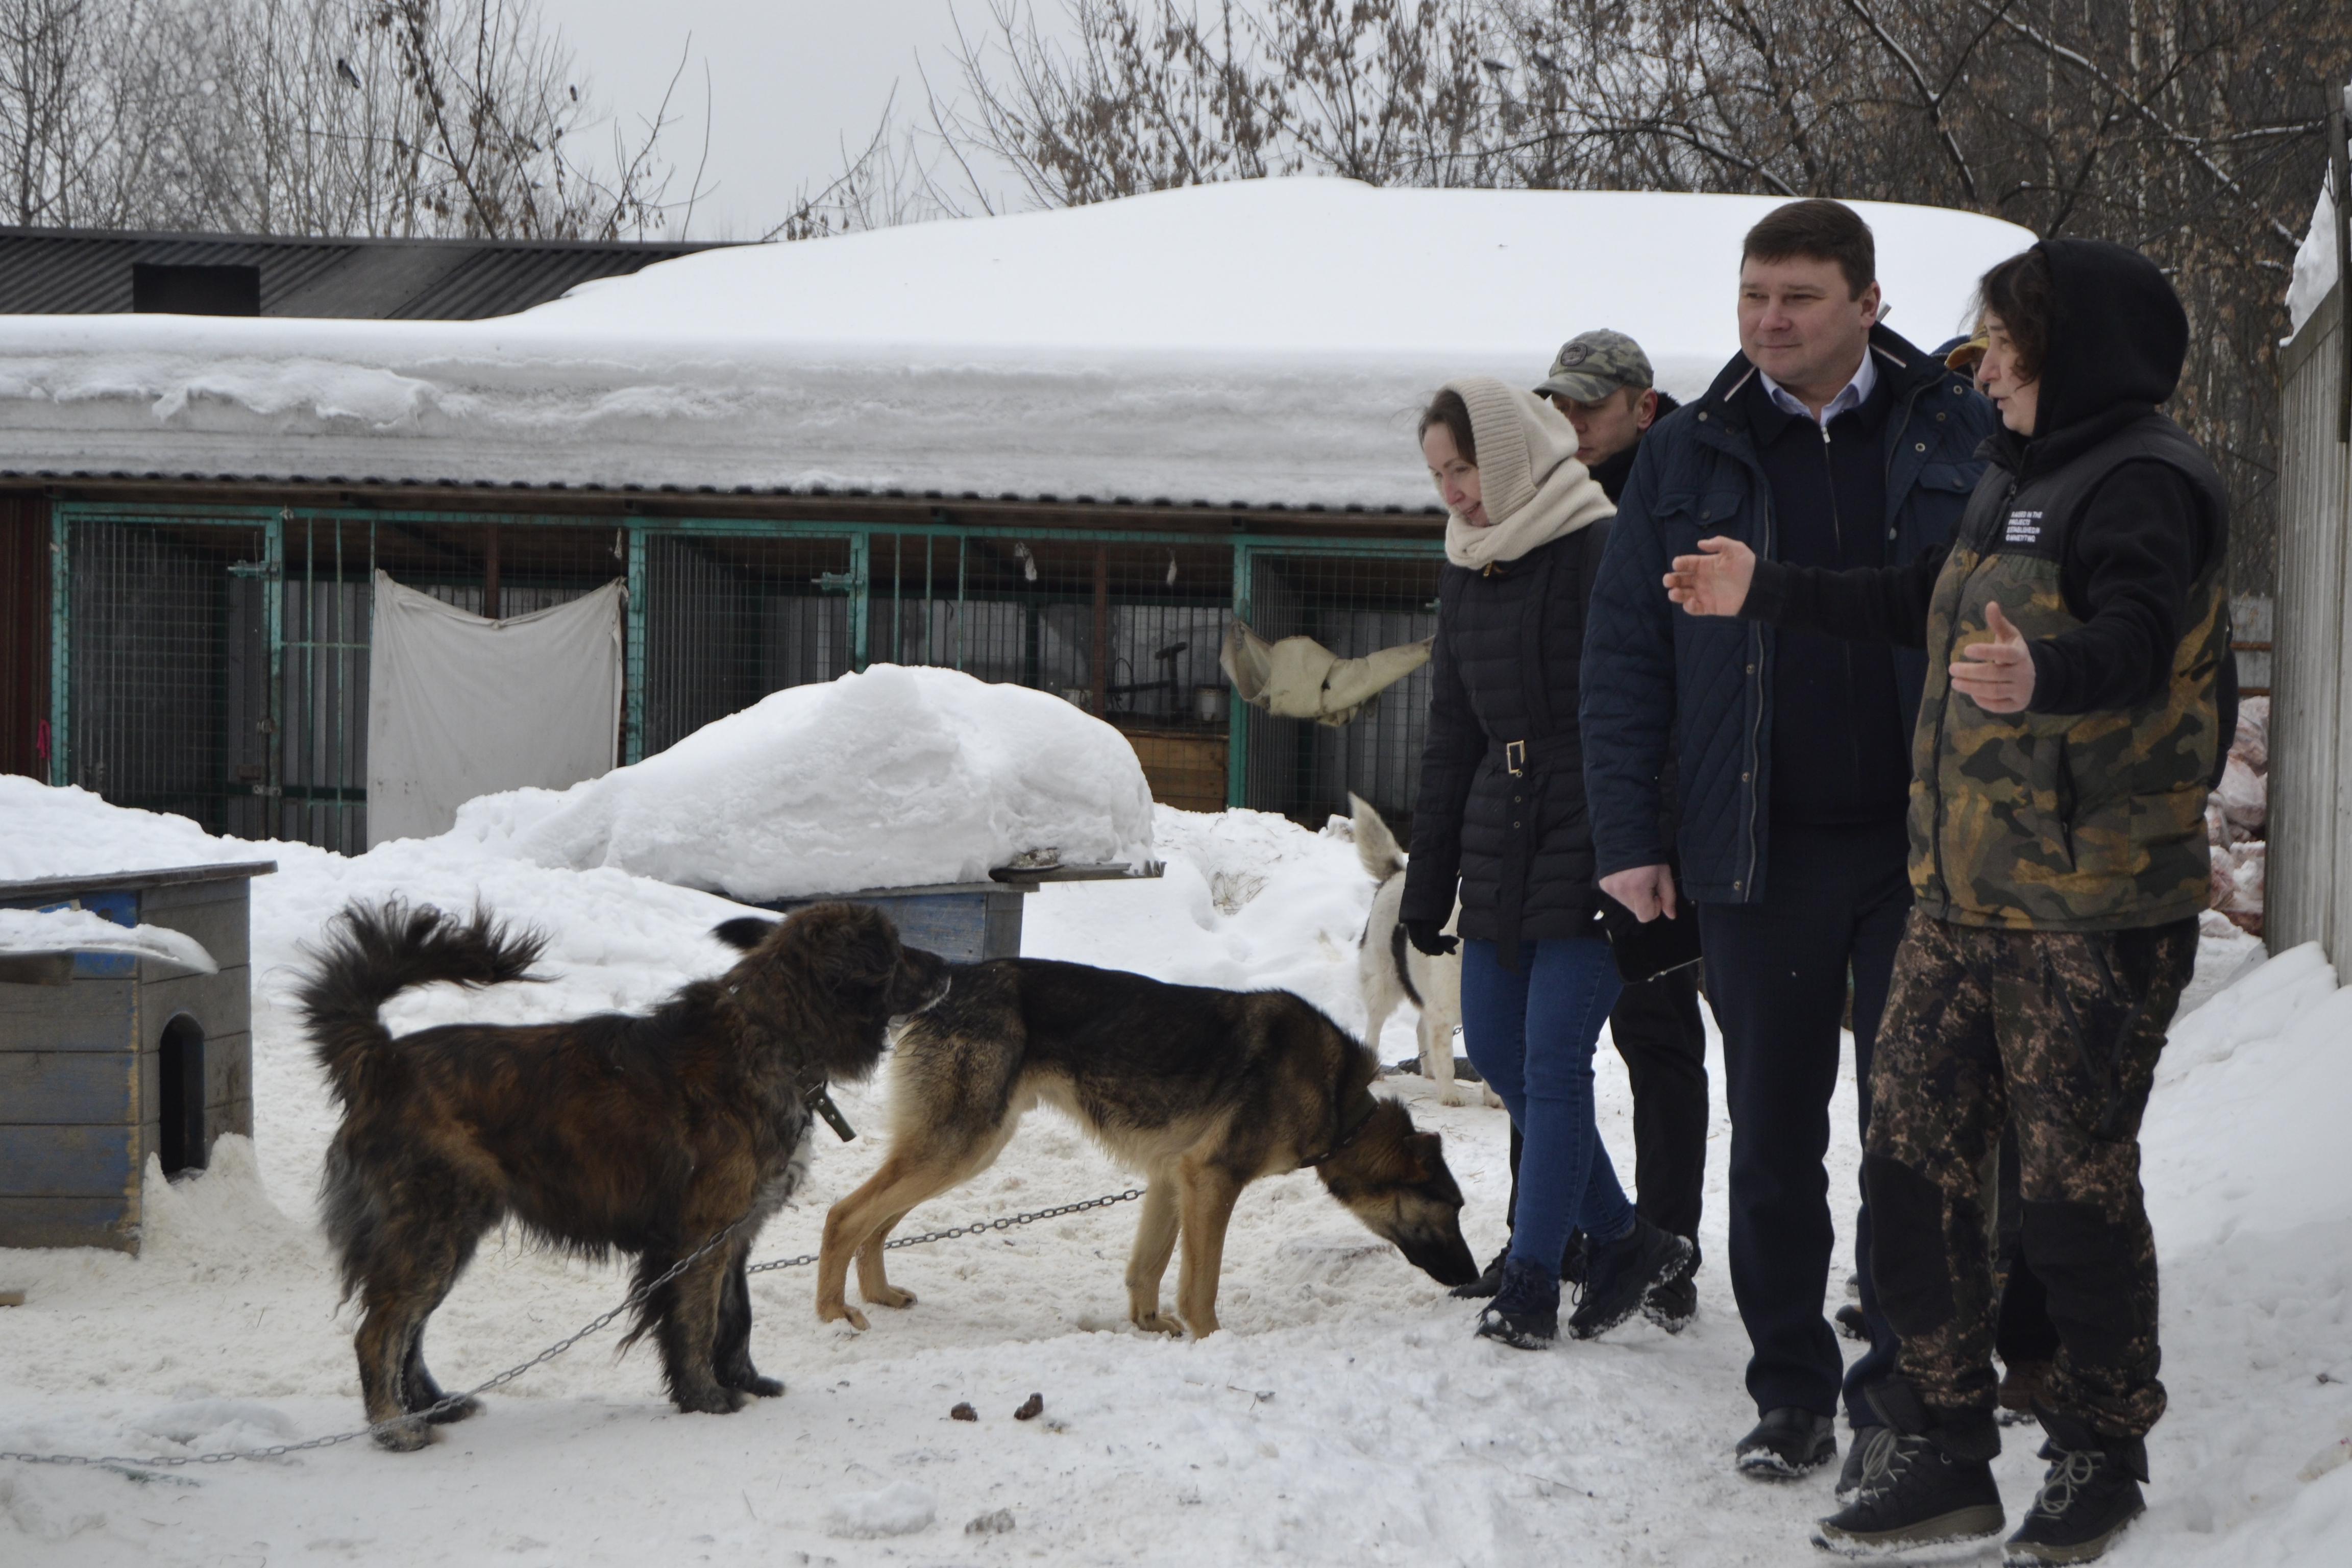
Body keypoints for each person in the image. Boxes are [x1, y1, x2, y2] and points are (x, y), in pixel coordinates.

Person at [1662, 237, 2229, 1564]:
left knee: (2066, 1198)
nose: (1992, 363)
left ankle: (2099, 1452)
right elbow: (1929, 602)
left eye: (2013, 342)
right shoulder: (2015, 472)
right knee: (1911, 1173)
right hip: (1964, 899)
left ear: (2074, 349)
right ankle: (1941, 1445)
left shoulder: (2146, 481)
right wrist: (1770, 593)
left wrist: (2052, 676)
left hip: (2091, 913)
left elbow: (2140, 638)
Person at [1580, 199, 1995, 1478]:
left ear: (1866, 303)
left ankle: (1897, 1393)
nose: (1770, 320)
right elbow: (1625, 653)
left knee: (1915, 1131)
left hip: (1926, 845)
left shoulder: (1955, 427)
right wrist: (1628, 833)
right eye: (1754, 296)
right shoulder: (1690, 452)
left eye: (1799, 297)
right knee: (1771, 1138)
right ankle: (1791, 1391)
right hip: (1754, 846)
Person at [1402, 375, 1693, 1348]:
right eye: (1439, 473)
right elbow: (1451, 734)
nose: (1453, 491)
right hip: (1499, 831)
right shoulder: (1466, 564)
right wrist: (1428, 876)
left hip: (1596, 827)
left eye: (1466, 466)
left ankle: (1533, 1279)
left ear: (1513, 453)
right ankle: (1621, 1239)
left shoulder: (1602, 543)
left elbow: (1653, 708)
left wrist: (1646, 844)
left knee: (1556, 1062)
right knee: (1496, 1047)